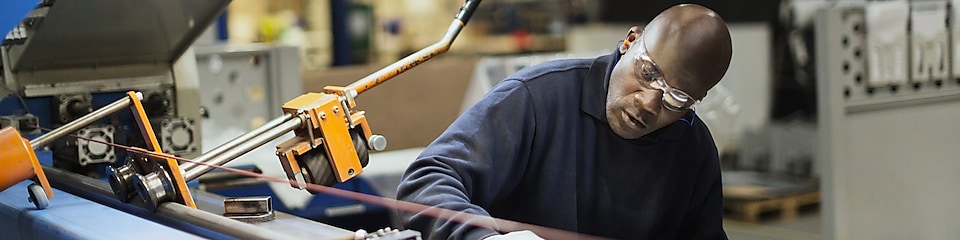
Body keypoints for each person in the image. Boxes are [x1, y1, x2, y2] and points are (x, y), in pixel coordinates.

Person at [396, 3, 732, 239]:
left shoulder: (694, 149)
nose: (648, 102)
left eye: (675, 99)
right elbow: (427, 179)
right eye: (648, 73)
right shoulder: (536, 99)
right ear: (630, 42)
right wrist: (484, 238)